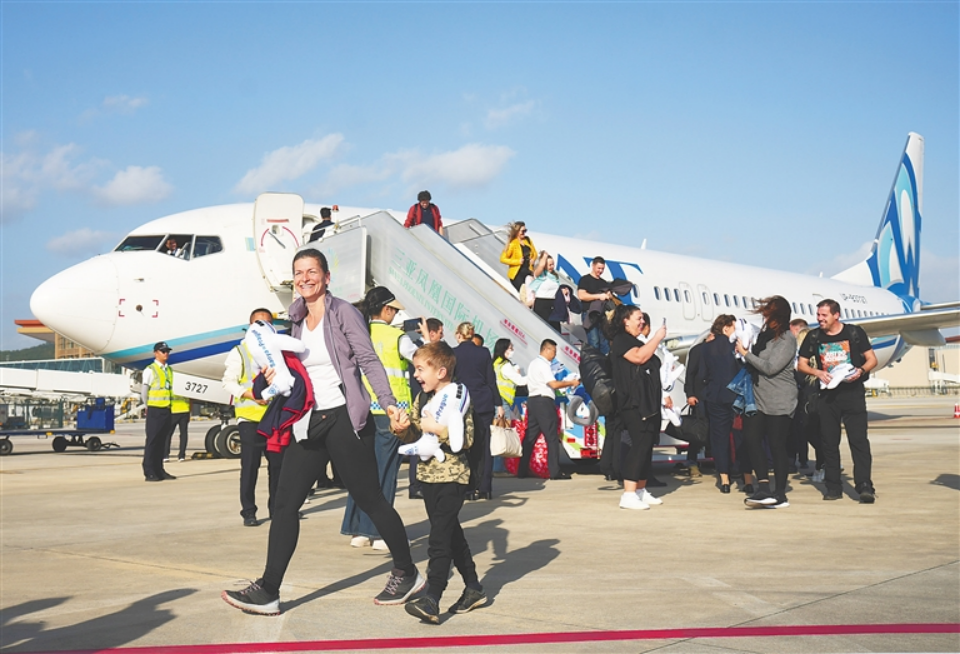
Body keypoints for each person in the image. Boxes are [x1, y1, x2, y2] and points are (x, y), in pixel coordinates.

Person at [222, 249, 423, 616]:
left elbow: (367, 359)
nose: (305, 278)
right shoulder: (296, 319)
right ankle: (269, 589)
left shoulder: (343, 312)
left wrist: (389, 402)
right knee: (284, 504)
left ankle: (407, 572)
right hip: (310, 420)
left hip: (344, 418)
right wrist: (274, 376)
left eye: (312, 271)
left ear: (326, 277)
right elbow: (299, 370)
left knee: (371, 499)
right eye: (299, 272)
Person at [395, 341, 487, 623]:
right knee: (450, 533)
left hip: (452, 476)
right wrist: (401, 427)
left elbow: (466, 439)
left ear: (441, 371)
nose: (416, 375)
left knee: (438, 538)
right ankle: (473, 587)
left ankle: (432, 596)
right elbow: (414, 432)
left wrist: (437, 428)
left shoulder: (458, 397)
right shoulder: (422, 399)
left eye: (420, 369)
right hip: (428, 476)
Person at [342, 286, 417, 549]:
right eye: (394, 310)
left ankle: (358, 530)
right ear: (386, 310)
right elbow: (421, 360)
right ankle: (379, 533)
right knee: (385, 472)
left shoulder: (357, 333)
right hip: (390, 412)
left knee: (362, 472)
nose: (395, 315)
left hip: (360, 411)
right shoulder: (398, 337)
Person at [797, 299, 878, 503]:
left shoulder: (854, 333)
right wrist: (817, 372)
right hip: (827, 396)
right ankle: (833, 486)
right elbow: (801, 364)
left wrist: (861, 370)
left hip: (853, 394)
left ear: (836, 315)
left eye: (824, 315)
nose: (820, 319)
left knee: (859, 441)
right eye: (818, 315)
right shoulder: (814, 337)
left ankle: (864, 485)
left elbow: (872, 359)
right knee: (829, 442)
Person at [735, 296, 798, 509]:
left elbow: (771, 367)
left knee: (776, 445)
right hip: (758, 397)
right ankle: (763, 486)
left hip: (780, 399)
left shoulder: (787, 339)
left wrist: (746, 354)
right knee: (751, 438)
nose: (765, 318)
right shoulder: (763, 337)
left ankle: (780, 493)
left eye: (768, 314)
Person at [222, 308, 282, 527]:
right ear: (250, 327)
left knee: (278, 467)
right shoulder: (239, 352)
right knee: (250, 467)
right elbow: (228, 382)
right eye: (258, 323)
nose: (263, 328)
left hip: (274, 419)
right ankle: (249, 511)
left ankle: (277, 510)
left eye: (267, 323)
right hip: (249, 419)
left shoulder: (277, 352)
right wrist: (252, 396)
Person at [607, 305, 667, 510]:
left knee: (647, 445)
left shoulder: (636, 341)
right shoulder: (622, 340)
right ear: (626, 320)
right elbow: (639, 357)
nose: (642, 322)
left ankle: (640, 489)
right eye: (638, 318)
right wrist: (657, 337)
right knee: (639, 444)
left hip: (647, 402)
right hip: (632, 403)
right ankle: (629, 493)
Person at [699, 315, 753, 494]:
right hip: (738, 396)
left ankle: (724, 479)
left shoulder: (706, 348)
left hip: (715, 396)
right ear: (726, 328)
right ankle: (747, 479)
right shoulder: (737, 346)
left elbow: (702, 374)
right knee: (742, 438)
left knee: (719, 438)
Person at [453, 323, 503, 499]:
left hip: (462, 404)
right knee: (484, 446)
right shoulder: (483, 353)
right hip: (484, 402)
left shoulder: (453, 353)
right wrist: (498, 403)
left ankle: (468, 488)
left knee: (465, 446)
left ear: (459, 335)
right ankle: (485, 488)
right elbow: (491, 380)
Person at [518, 339, 580, 481]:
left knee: (530, 436)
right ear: (546, 349)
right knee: (551, 437)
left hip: (532, 401)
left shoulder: (533, 363)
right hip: (544, 402)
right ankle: (555, 472)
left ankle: (522, 470)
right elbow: (553, 384)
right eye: (554, 351)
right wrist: (571, 382)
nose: (554, 355)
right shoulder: (544, 364)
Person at [408, 318, 445, 499]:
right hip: (423, 401)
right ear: (431, 333)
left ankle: (423, 483)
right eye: (440, 332)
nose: (442, 336)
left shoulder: (439, 351)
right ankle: (416, 485)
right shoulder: (416, 350)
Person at [141, 342, 176, 482]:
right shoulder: (150, 370)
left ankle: (159, 469)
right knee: (153, 441)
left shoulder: (169, 370)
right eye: (163, 351)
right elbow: (144, 391)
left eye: (167, 351)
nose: (166, 354)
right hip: (155, 409)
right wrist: (147, 405)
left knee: (162, 441)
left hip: (166, 408)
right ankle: (149, 470)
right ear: (156, 353)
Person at [682, 333, 712, 478]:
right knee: (697, 431)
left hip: (714, 396)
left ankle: (713, 459)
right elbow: (690, 373)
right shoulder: (698, 350)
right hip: (699, 396)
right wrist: (690, 394)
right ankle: (692, 462)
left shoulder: (719, 350)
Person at [577, 257, 614, 354]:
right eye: (599, 268)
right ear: (593, 266)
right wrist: (598, 296)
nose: (600, 271)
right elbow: (581, 295)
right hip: (590, 314)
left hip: (601, 315)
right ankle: (594, 360)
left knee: (604, 342)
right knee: (594, 341)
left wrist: (608, 295)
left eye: (602, 269)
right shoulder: (585, 280)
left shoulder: (603, 283)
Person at [499, 222, 537, 292]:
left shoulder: (528, 240)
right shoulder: (512, 244)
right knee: (524, 292)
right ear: (517, 231)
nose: (524, 233)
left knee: (532, 292)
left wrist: (533, 259)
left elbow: (535, 253)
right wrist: (518, 261)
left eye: (525, 230)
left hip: (528, 271)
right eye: (522, 231)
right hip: (517, 273)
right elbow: (502, 259)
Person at [529, 252, 562, 330]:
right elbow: (540, 266)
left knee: (556, 329)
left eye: (553, 264)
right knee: (542, 328)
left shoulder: (555, 276)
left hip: (553, 303)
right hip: (542, 303)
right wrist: (544, 257)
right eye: (549, 265)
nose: (552, 266)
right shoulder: (540, 275)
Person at [164, 394, 190, 462]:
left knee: (168, 434)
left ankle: (165, 455)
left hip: (173, 411)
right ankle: (182, 456)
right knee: (183, 434)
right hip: (185, 410)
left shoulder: (171, 388)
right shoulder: (184, 388)